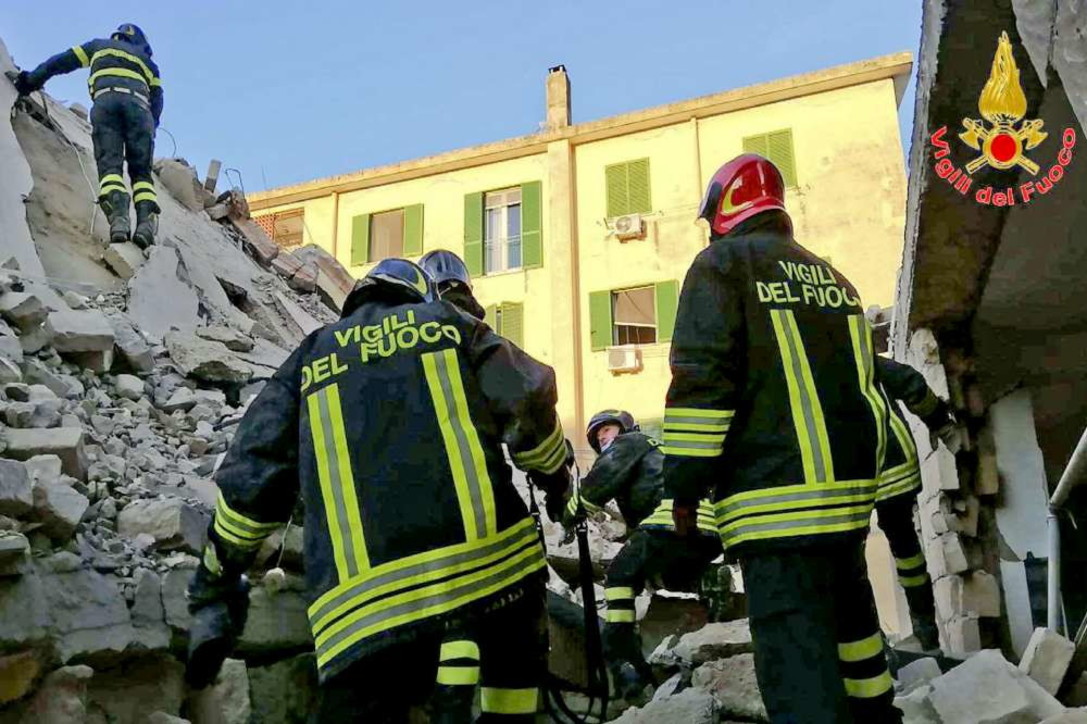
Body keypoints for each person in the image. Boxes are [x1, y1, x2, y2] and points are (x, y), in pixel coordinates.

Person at [185, 258, 572, 722]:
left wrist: (216, 580)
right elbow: (528, 402)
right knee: (513, 672)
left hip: (362, 610)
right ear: (421, 296)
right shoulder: (450, 324)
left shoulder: (310, 355)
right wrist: (555, 481)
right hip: (492, 573)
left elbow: (253, 480)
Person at [664, 154, 901, 723]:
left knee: (798, 668)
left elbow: (702, 384)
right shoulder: (833, 279)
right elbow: (865, 385)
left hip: (773, 508)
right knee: (857, 642)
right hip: (845, 508)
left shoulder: (720, 265)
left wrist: (685, 490)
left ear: (722, 208)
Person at [569, 409, 721, 702]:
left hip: (668, 520)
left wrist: (568, 511)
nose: (603, 440)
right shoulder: (654, 450)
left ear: (625, 428)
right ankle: (710, 580)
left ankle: (622, 645)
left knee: (619, 575)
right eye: (598, 437)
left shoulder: (630, 443)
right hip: (705, 528)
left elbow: (594, 489)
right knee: (664, 577)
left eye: (607, 431)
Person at [13, 23, 163, 248]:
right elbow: (158, 100)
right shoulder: (148, 63)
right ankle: (145, 225)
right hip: (140, 111)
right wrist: (151, 126)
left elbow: (59, 63)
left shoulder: (98, 46)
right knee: (142, 174)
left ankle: (119, 221)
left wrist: (30, 82)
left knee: (110, 168)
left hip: (106, 103)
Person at [874, 355, 961, 653]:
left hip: (851, 478)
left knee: (849, 562)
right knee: (906, 549)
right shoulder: (863, 360)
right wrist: (939, 421)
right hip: (897, 468)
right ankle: (927, 635)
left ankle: (873, 644)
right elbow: (911, 383)